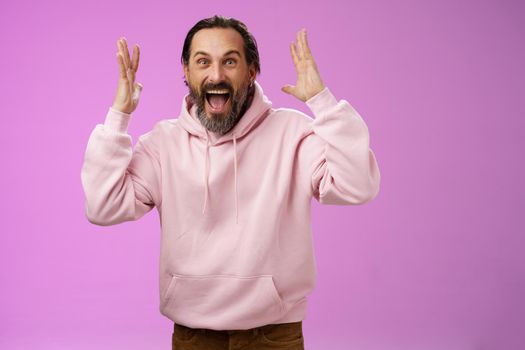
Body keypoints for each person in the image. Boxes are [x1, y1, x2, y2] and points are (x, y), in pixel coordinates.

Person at [81, 15, 381, 350]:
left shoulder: (293, 134)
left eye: (230, 61)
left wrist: (322, 102)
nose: (216, 75)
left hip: (273, 333)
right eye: (203, 62)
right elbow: (103, 207)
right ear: (186, 71)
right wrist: (118, 115)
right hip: (193, 334)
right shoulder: (162, 143)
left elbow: (357, 185)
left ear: (251, 71)